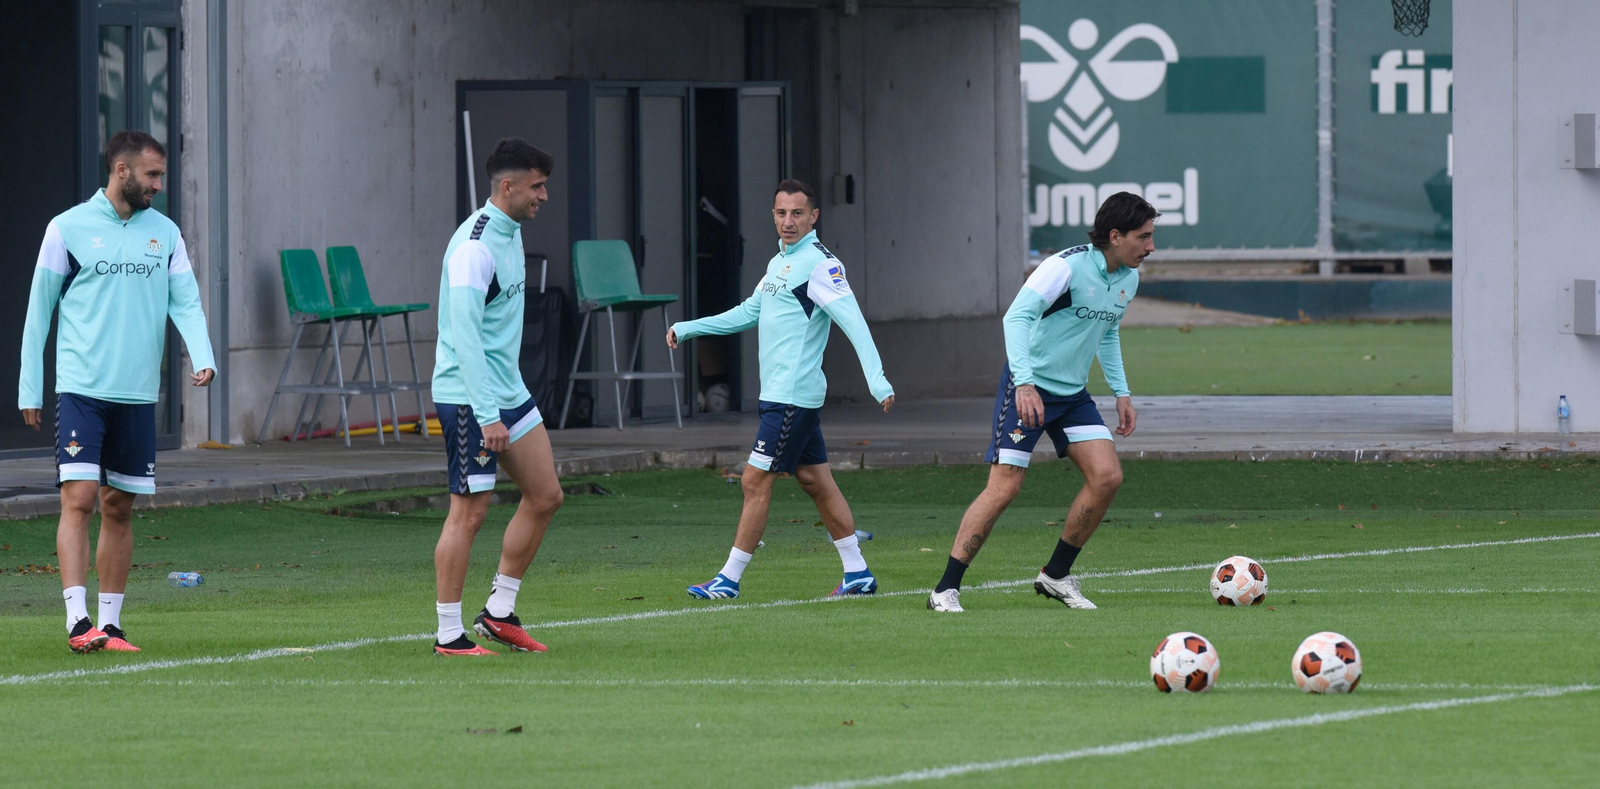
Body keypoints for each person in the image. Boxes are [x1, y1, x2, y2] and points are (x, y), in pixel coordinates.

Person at [18, 130, 215, 653]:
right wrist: (29, 387)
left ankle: (110, 626)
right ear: (121, 170)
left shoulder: (166, 234)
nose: (158, 185)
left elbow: (186, 301)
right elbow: (38, 313)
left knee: (119, 507)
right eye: (152, 175)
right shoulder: (66, 229)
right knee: (79, 498)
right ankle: (77, 623)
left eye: (160, 176)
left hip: (137, 395)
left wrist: (203, 354)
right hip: (81, 389)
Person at [926, 192, 1156, 613]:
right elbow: (1016, 317)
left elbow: (1108, 331)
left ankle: (1055, 575)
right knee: (1005, 487)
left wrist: (1121, 392)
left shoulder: (1129, 278)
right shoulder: (1064, 267)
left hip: (1073, 396)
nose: (1151, 246)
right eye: (1143, 237)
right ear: (1115, 236)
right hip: (1028, 388)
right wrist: (1025, 383)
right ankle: (944, 589)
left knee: (1107, 476)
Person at [667, 180, 895, 599]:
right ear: (773, 215)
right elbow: (747, 312)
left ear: (813, 217)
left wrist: (877, 380)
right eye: (781, 213)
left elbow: (854, 322)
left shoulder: (821, 266)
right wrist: (688, 328)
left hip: (792, 397)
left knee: (754, 481)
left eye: (797, 213)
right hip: (779, 395)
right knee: (815, 480)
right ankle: (857, 573)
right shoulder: (779, 262)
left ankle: (728, 580)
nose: (788, 221)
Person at [428, 138, 565, 656]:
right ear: (507, 187)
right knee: (469, 514)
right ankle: (449, 635)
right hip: (470, 397)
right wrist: (487, 415)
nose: (544, 196)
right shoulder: (475, 247)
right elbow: (464, 338)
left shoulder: (511, 233)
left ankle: (498, 613)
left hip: (508, 390)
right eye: (537, 186)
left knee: (546, 495)